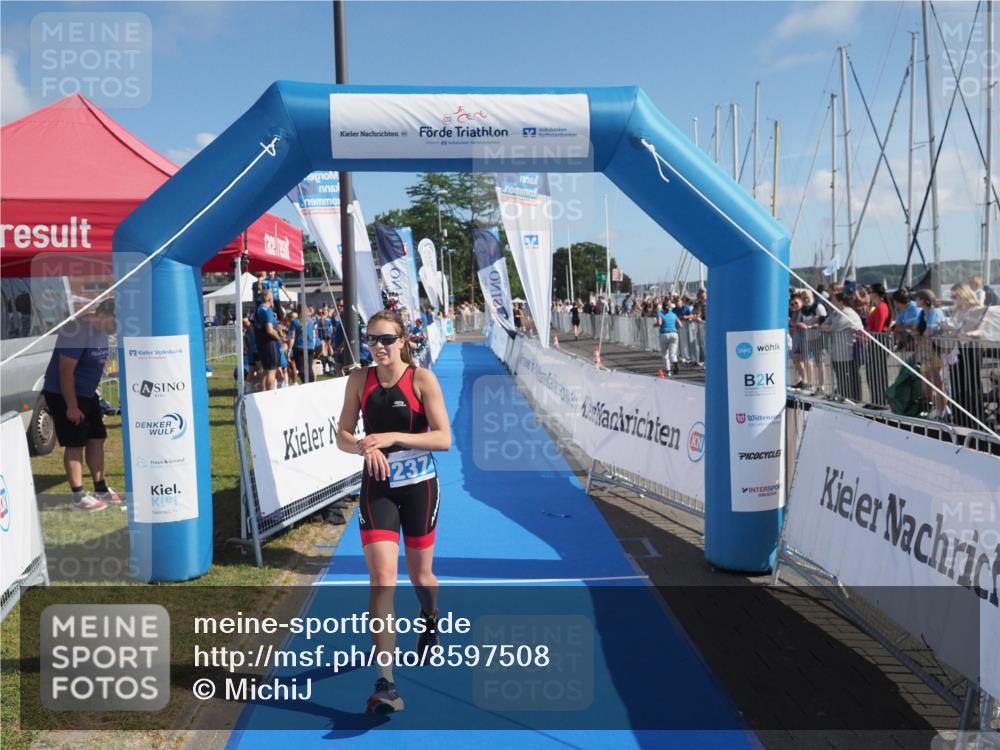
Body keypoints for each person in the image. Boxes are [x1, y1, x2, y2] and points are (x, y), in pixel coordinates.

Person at [336, 310, 452, 715]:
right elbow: (343, 436)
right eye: (371, 340)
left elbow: (444, 438)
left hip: (420, 487)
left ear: (403, 340)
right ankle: (386, 682)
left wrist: (394, 438)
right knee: (382, 579)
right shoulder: (359, 380)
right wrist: (364, 447)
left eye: (386, 339)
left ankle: (430, 612)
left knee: (421, 577)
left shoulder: (421, 380)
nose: (378, 347)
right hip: (378, 487)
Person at [42, 299, 121, 511]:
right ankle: (78, 496)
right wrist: (72, 406)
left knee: (97, 437)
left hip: (87, 393)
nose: (118, 327)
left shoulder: (103, 331)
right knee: (75, 442)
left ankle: (100, 488)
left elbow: (95, 365)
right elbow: (65, 372)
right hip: (63, 393)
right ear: (104, 313)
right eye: (117, 320)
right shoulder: (76, 330)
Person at [821, 292, 863, 402]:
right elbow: (824, 325)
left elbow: (836, 326)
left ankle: (855, 398)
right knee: (840, 375)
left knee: (851, 376)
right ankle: (844, 395)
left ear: (841, 302)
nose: (831, 303)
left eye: (834, 301)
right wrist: (828, 327)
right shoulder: (835, 313)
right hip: (837, 352)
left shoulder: (848, 313)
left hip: (848, 351)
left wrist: (829, 327)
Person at [253, 290, 282, 390]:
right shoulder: (267, 311)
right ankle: (269, 396)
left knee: (265, 371)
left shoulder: (258, 310)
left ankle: (262, 394)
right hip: (270, 344)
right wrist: (279, 338)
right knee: (271, 371)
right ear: (270, 299)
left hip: (261, 343)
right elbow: (269, 330)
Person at [656, 303, 682, 375]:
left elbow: (659, 323)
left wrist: (655, 325)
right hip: (674, 334)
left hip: (664, 334)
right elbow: (680, 325)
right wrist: (674, 328)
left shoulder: (660, 313)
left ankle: (668, 370)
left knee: (664, 353)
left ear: (663, 308)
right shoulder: (674, 314)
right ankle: (675, 365)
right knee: (673, 353)